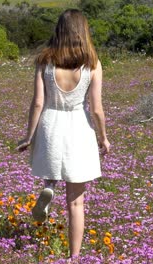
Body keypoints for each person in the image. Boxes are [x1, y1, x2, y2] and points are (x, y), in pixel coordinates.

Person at [16, 9, 110, 260]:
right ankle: (74, 257)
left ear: (59, 30)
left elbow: (37, 103)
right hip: (78, 126)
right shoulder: (92, 63)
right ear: (83, 32)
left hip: (50, 123)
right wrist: (103, 138)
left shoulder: (45, 60)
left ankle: (49, 187)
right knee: (76, 203)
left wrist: (28, 137)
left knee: (53, 164)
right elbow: (97, 109)